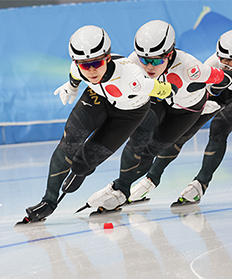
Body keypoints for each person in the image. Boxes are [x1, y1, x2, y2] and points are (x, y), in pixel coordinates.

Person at [21, 25, 175, 223]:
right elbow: (75, 73)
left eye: (97, 63)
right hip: (98, 98)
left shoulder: (132, 77)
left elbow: (165, 89)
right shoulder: (78, 67)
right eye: (85, 65)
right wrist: (72, 86)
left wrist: (167, 91)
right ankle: (48, 201)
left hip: (129, 113)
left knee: (84, 161)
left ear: (108, 58)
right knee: (69, 143)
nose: (92, 70)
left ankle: (81, 170)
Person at [86, 20, 232, 212]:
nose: (149, 66)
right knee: (139, 138)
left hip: (186, 110)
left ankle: (130, 184)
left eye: (156, 60)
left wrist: (216, 92)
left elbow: (225, 78)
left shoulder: (190, 67)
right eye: (144, 59)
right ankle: (121, 188)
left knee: (153, 149)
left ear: (170, 54)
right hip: (160, 98)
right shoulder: (132, 62)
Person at [129, 29, 232, 207]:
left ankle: (200, 184)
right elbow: (203, 92)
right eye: (225, 62)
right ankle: (151, 178)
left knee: (220, 126)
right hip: (218, 87)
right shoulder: (211, 64)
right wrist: (210, 97)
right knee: (185, 129)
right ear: (219, 57)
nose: (231, 68)